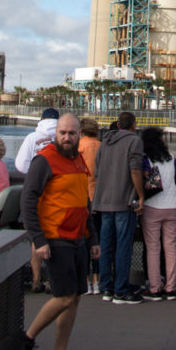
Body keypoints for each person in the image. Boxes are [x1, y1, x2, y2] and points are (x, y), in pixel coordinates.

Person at [21, 114, 99, 350]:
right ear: (56, 133)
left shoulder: (78, 160)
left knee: (75, 297)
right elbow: (28, 200)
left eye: (72, 133)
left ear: (80, 134)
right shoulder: (44, 160)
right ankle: (27, 340)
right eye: (63, 133)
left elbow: (84, 204)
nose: (67, 138)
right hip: (55, 237)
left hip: (78, 237)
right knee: (63, 296)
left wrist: (93, 238)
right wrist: (38, 238)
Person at [91, 111, 145, 304]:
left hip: (104, 201)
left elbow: (96, 171)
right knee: (123, 246)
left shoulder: (105, 142)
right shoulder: (134, 141)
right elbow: (135, 169)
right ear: (133, 125)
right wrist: (140, 195)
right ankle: (120, 290)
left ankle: (106, 287)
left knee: (106, 245)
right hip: (124, 201)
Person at [16, 108, 59, 292]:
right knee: (56, 236)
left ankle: (35, 279)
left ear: (41, 119)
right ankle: (51, 280)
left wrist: (35, 174)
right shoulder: (63, 137)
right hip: (57, 192)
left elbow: (20, 165)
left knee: (36, 236)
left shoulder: (32, 138)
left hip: (36, 192)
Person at [140, 126, 176, 301]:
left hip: (152, 206)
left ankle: (155, 287)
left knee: (153, 248)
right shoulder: (171, 158)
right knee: (171, 247)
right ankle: (171, 287)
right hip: (173, 204)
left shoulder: (146, 159)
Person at [79, 117, 102, 294]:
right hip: (100, 198)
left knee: (84, 240)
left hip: (82, 197)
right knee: (98, 240)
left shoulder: (79, 147)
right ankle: (97, 279)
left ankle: (85, 280)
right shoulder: (102, 147)